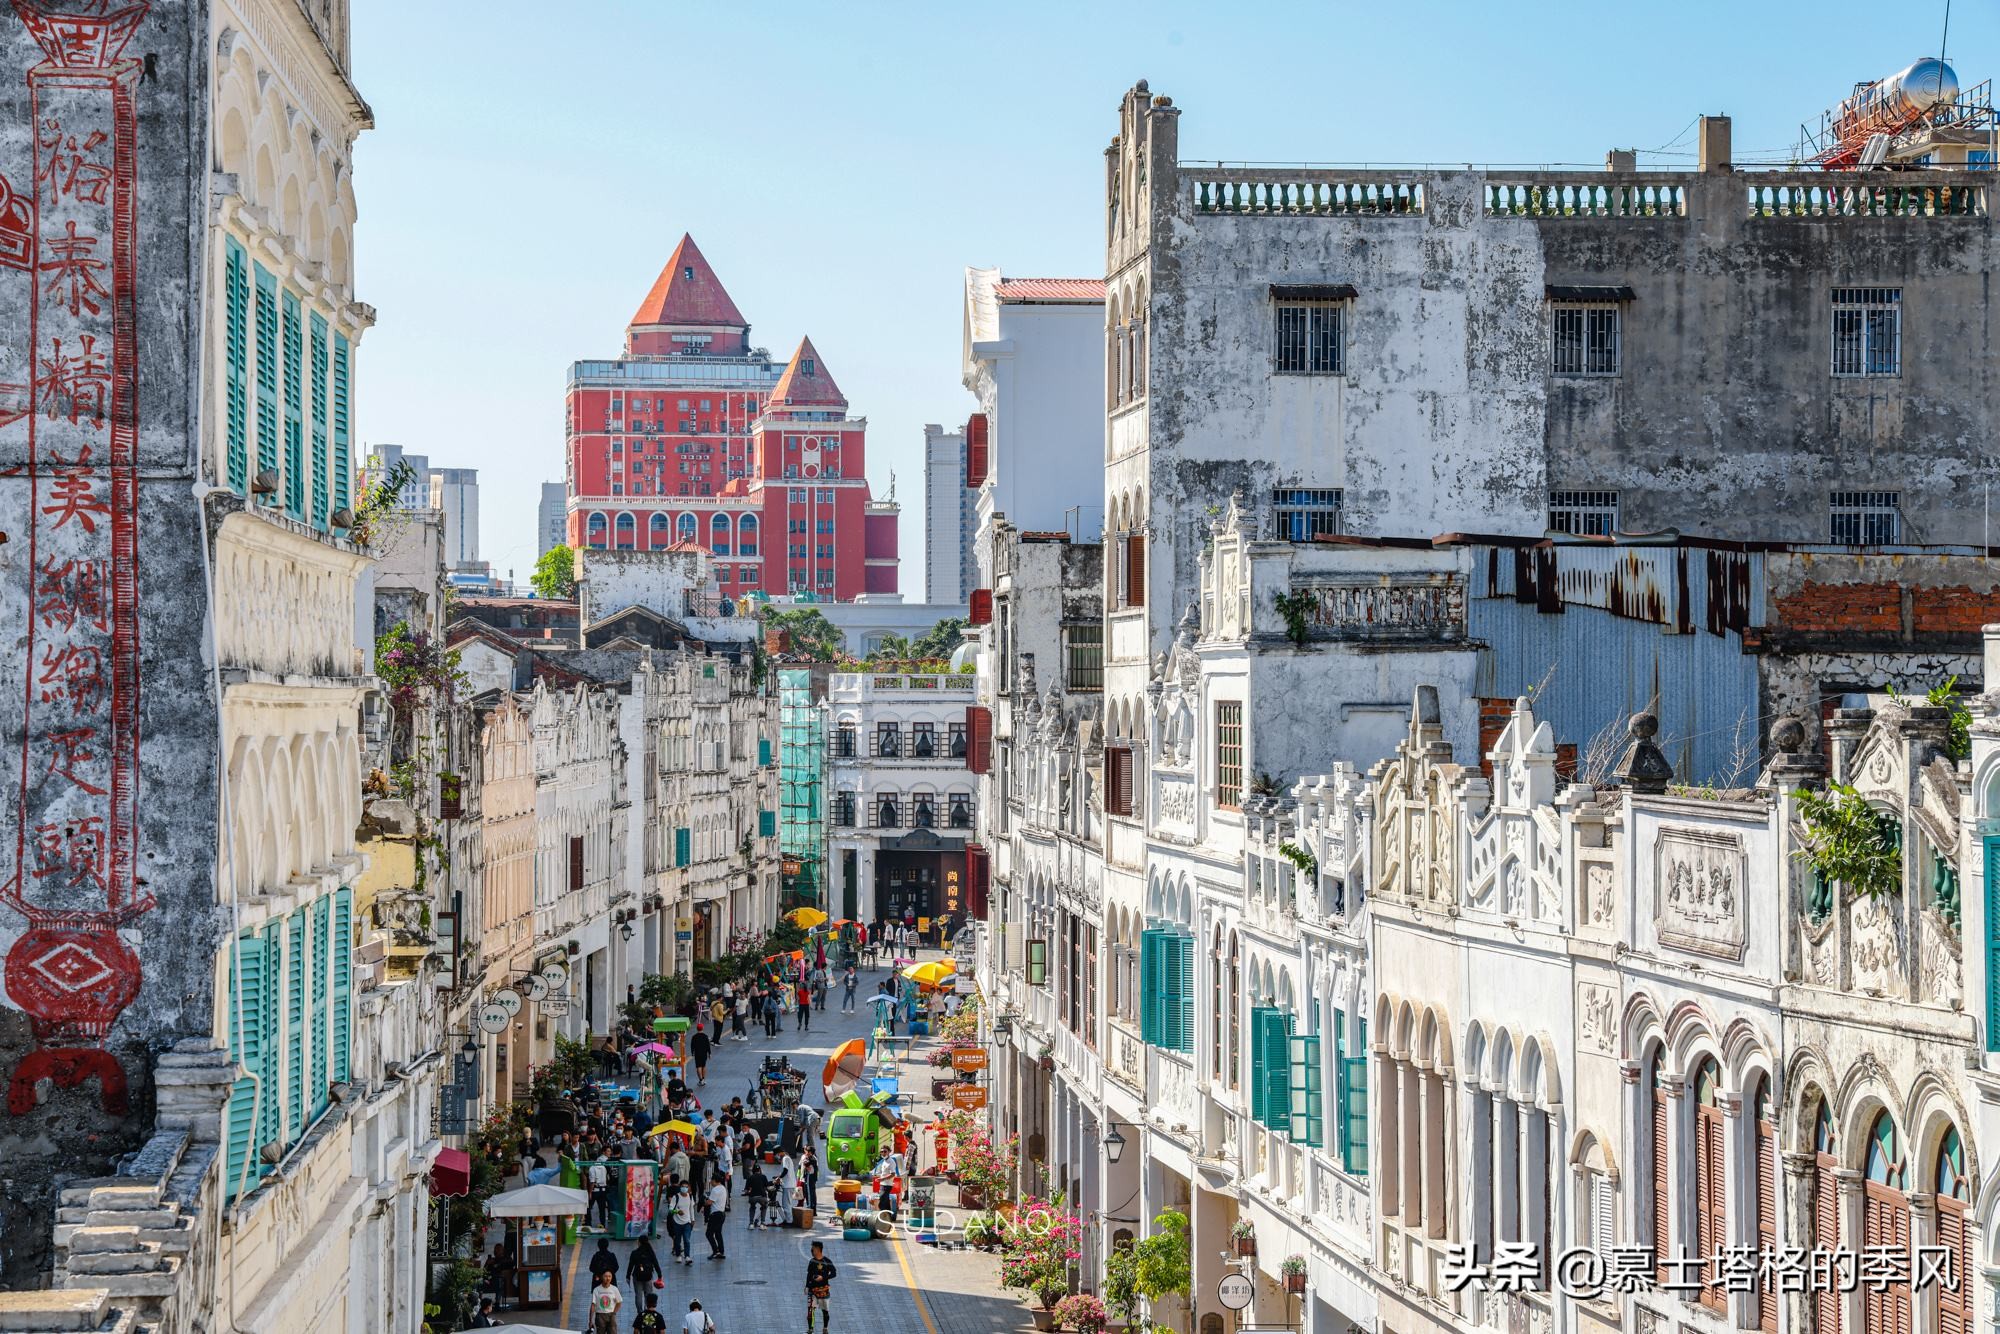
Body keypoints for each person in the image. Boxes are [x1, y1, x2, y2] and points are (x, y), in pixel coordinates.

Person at [804, 1240, 838, 1334]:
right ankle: (811, 1329)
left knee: (825, 1311)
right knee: (811, 1311)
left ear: (818, 1249)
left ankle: (825, 1328)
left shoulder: (827, 1261)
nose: (811, 1250)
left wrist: (823, 1277)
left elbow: (834, 1273)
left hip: (823, 1291)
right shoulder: (812, 1261)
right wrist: (807, 1286)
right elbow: (809, 1274)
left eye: (813, 1249)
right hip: (812, 1291)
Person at [666, 1178, 696, 1264]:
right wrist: (677, 1211)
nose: (684, 1188)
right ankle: (678, 1255)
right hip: (677, 1222)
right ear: (680, 1187)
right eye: (683, 1187)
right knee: (677, 1240)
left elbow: (691, 1209)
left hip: (687, 1222)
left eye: (686, 1187)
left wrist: (692, 1219)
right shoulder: (676, 1197)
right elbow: (671, 1209)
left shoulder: (690, 1197)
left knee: (687, 1239)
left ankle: (687, 1256)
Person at [704, 1176, 730, 1258]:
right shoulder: (723, 1188)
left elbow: (709, 1202)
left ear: (715, 1180)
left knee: (709, 1234)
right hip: (722, 1214)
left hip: (715, 1215)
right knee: (718, 1233)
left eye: (711, 1180)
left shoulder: (715, 1190)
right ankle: (721, 1251)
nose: (710, 1182)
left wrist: (704, 1201)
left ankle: (716, 1251)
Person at [744, 1158, 770, 1228]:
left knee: (752, 1207)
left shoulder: (750, 1177)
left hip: (753, 1197)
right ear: (759, 1170)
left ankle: (751, 1224)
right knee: (764, 1206)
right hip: (762, 1197)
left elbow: (746, 1190)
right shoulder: (763, 1176)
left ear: (753, 1170)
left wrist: (748, 1192)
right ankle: (762, 1223)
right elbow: (767, 1187)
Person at [586, 1155, 610, 1231]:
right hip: (603, 1190)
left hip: (595, 1190)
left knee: (588, 1207)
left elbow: (592, 1182)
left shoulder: (592, 1168)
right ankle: (602, 1224)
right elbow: (606, 1178)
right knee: (602, 1209)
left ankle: (588, 1223)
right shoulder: (603, 1167)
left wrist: (589, 1192)